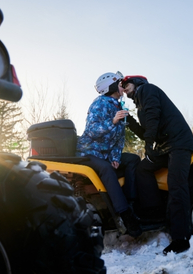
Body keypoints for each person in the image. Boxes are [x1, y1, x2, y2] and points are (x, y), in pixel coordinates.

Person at [121, 75, 193, 255]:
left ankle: (181, 239)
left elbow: (154, 117)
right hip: (164, 147)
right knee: (142, 169)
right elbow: (146, 131)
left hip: (179, 144)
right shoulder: (139, 104)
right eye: (122, 87)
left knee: (176, 184)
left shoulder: (148, 90)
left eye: (126, 85)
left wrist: (148, 145)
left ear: (137, 83)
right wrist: (130, 121)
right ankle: (154, 211)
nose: (124, 89)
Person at [76, 71, 142, 237]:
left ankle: (132, 203)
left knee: (133, 160)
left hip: (106, 154)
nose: (123, 87)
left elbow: (118, 139)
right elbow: (91, 131)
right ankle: (124, 215)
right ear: (111, 87)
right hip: (89, 152)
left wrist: (115, 158)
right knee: (106, 169)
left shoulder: (118, 107)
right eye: (120, 84)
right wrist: (111, 121)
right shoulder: (99, 104)